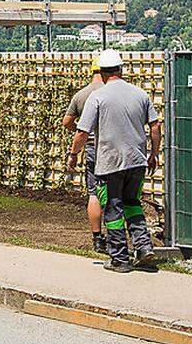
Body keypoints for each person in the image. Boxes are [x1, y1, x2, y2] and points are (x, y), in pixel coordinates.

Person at [68, 49, 162, 273]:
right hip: (137, 162)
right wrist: (153, 154)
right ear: (121, 69)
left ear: (101, 72)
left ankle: (120, 259)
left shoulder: (98, 97)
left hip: (109, 164)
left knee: (112, 208)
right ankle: (143, 246)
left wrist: (73, 154)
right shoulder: (140, 94)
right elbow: (155, 126)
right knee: (132, 203)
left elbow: (82, 132)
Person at [63, 57, 106, 254]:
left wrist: (81, 131)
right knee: (117, 192)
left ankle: (97, 237)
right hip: (113, 149)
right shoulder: (112, 92)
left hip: (91, 148)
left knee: (94, 193)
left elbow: (67, 122)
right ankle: (119, 237)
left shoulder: (81, 95)